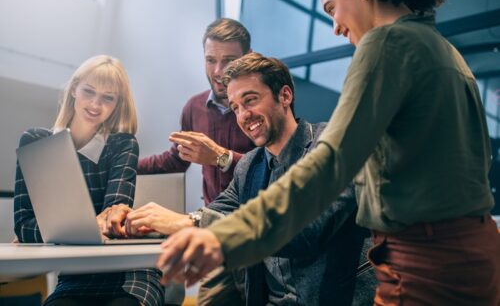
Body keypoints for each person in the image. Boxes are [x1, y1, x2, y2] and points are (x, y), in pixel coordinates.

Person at [156, 0, 500, 305]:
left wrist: (224, 236)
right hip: (474, 254)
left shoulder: (386, 44)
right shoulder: (445, 51)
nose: (335, 26)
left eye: (331, 8)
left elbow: (330, 164)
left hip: (423, 261)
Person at [126, 53, 374, 305]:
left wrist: (192, 224)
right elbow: (217, 212)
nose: (244, 115)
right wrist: (142, 221)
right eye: (235, 107)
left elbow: (306, 232)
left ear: (285, 96)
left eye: (251, 100)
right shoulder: (249, 166)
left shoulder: (330, 144)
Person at [14, 55, 164, 306]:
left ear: (117, 104)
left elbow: (113, 219)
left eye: (108, 97)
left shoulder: (122, 144)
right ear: (74, 89)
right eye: (89, 91)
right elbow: (23, 226)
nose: (96, 104)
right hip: (76, 274)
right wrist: (89, 226)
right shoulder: (36, 142)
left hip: (128, 272)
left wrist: (55, 232)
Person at [138, 18, 255, 205]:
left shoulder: (262, 106)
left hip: (256, 223)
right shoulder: (194, 107)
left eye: (229, 61)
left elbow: (273, 166)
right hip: (210, 221)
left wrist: (220, 157)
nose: (218, 71)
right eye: (210, 60)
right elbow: (175, 161)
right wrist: (124, 165)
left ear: (248, 57)